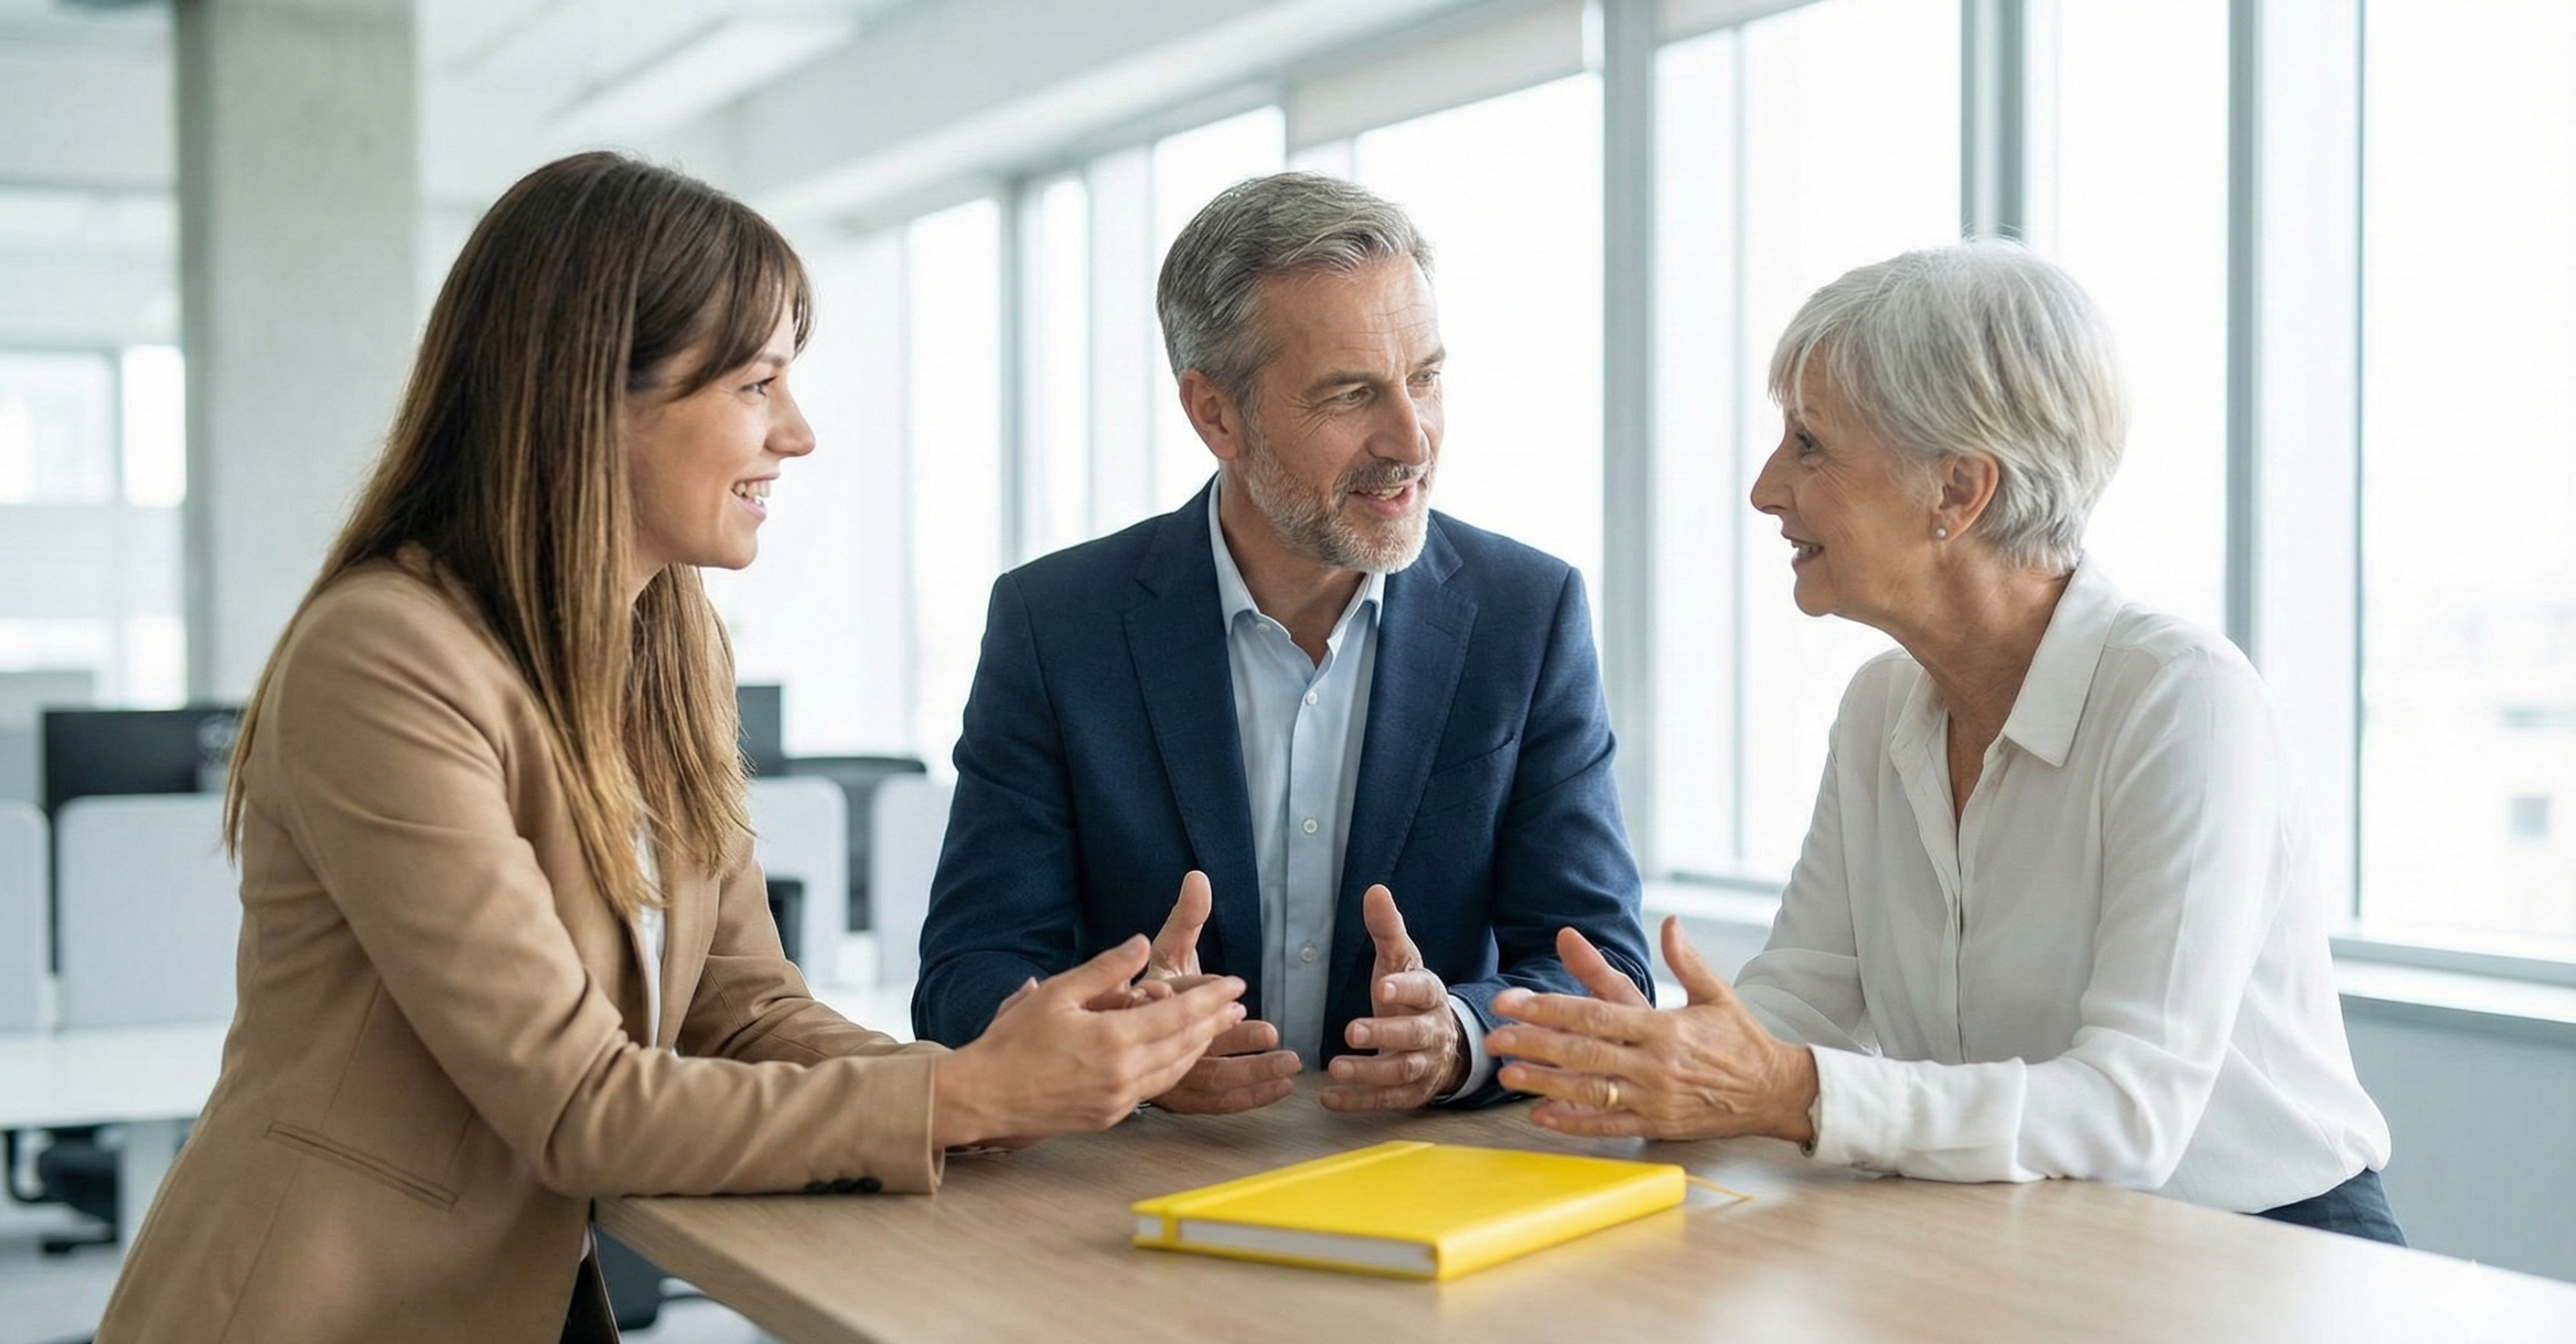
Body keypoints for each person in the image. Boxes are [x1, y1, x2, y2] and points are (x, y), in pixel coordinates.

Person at [81, 152, 1247, 1344]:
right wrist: (962, 1095)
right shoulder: (384, 658)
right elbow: (578, 1105)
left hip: (505, 1343)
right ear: (595, 397)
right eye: (755, 383)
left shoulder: (663, 648)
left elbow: (742, 1015)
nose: (796, 433)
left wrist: (1030, 1078)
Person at [1487, 242, 2402, 1243]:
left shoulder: (2182, 701)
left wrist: (1787, 1091)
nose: (1765, 488)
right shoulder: (1877, 708)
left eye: (1809, 443)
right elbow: (1805, 998)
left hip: (2268, 1246)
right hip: (2026, 1236)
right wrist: (1668, 1054)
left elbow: (2128, 1111)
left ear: (1957, 491)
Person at [910, 171, 1651, 1114]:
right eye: (1351, 394)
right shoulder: (1056, 625)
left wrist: (1459, 1039)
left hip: (1425, 1174)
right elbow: (966, 976)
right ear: (1214, 413)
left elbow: (1601, 965)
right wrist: (1124, 1040)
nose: (1411, 438)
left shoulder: (1526, 614)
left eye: (1425, 378)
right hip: (1143, 1184)